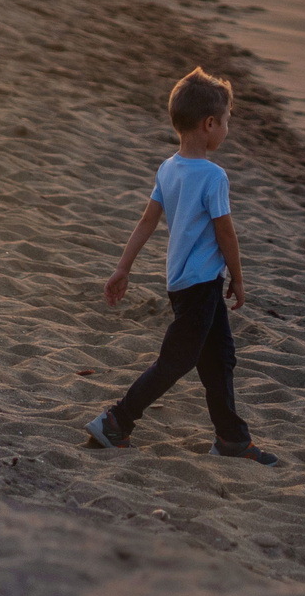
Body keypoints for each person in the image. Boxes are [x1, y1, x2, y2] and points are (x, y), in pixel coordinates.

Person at [89, 67, 276, 464]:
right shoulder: (213, 176)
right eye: (226, 122)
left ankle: (231, 438)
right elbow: (226, 234)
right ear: (209, 124)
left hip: (184, 283)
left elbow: (147, 221)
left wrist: (123, 268)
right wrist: (239, 279)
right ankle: (115, 421)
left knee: (219, 356)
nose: (226, 129)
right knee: (176, 361)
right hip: (201, 285)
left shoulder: (168, 167)